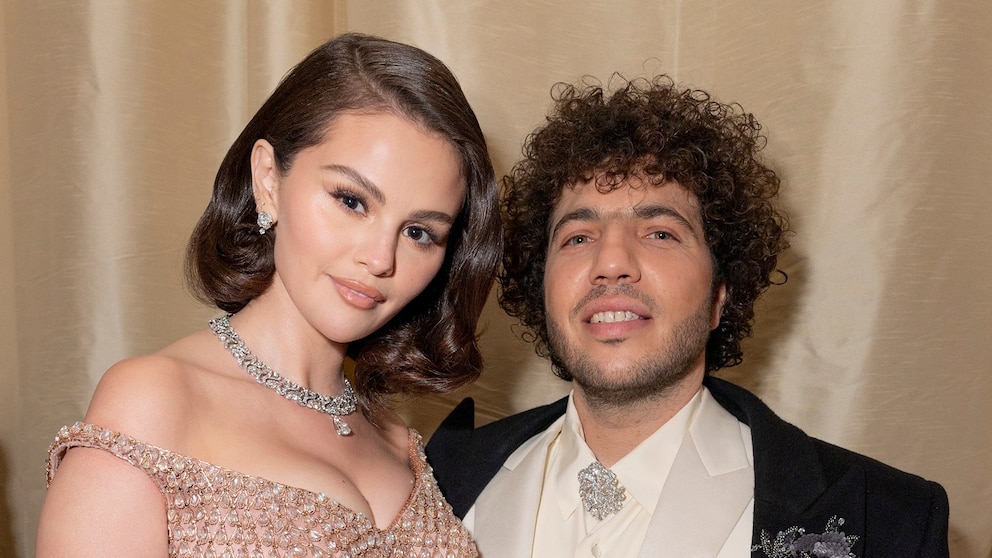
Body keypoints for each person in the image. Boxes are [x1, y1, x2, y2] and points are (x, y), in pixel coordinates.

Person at [426, 76, 949, 557]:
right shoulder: (437, 477)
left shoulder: (891, 519)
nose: (610, 262)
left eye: (660, 233)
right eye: (578, 237)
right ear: (540, 286)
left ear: (721, 294)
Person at [37, 33, 500, 557]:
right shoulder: (154, 401)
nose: (380, 259)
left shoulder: (400, 442)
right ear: (268, 181)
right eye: (351, 201)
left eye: (419, 232)